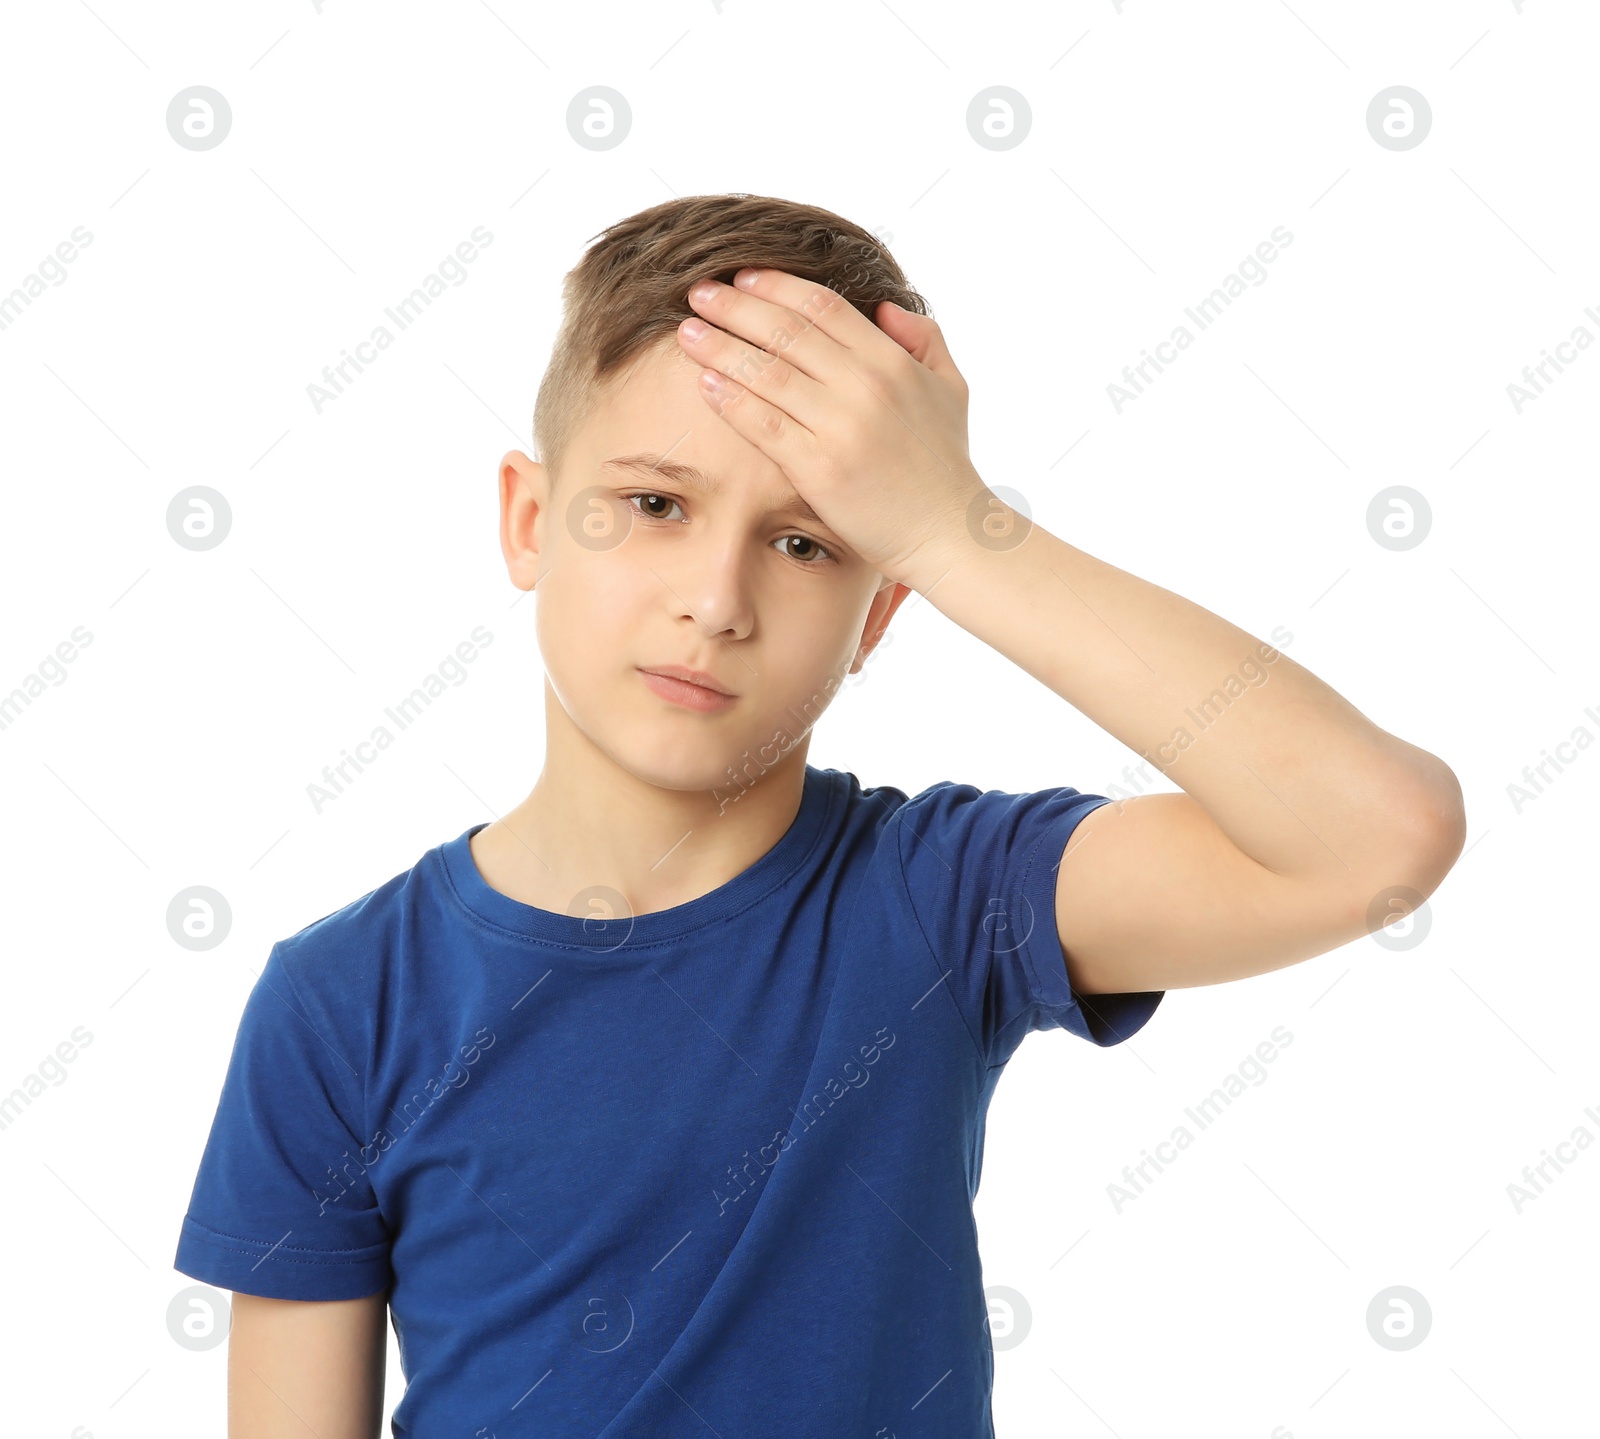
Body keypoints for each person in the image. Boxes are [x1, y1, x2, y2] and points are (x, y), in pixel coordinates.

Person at [172, 192, 1466, 1437]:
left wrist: (956, 531)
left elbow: (1378, 837)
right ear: (528, 518)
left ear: (883, 610)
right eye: (657, 504)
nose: (716, 599)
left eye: (805, 544)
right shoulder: (341, 1000)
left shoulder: (948, 898)